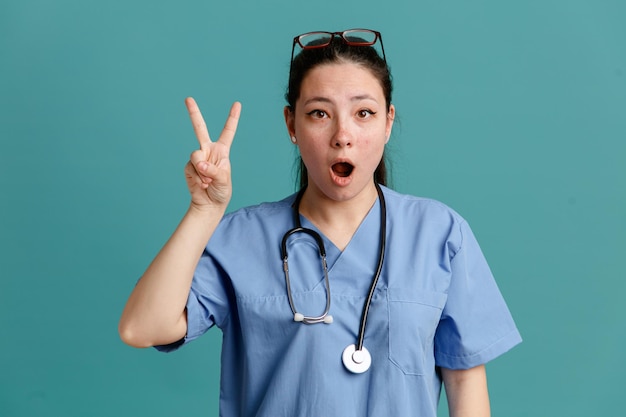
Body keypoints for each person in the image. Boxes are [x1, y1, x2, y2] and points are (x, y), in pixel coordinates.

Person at [119, 29, 521, 417]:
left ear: (388, 122)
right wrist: (203, 211)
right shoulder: (242, 239)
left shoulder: (440, 233)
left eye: (364, 112)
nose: (342, 135)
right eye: (319, 113)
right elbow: (141, 328)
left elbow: (466, 386)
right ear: (292, 125)